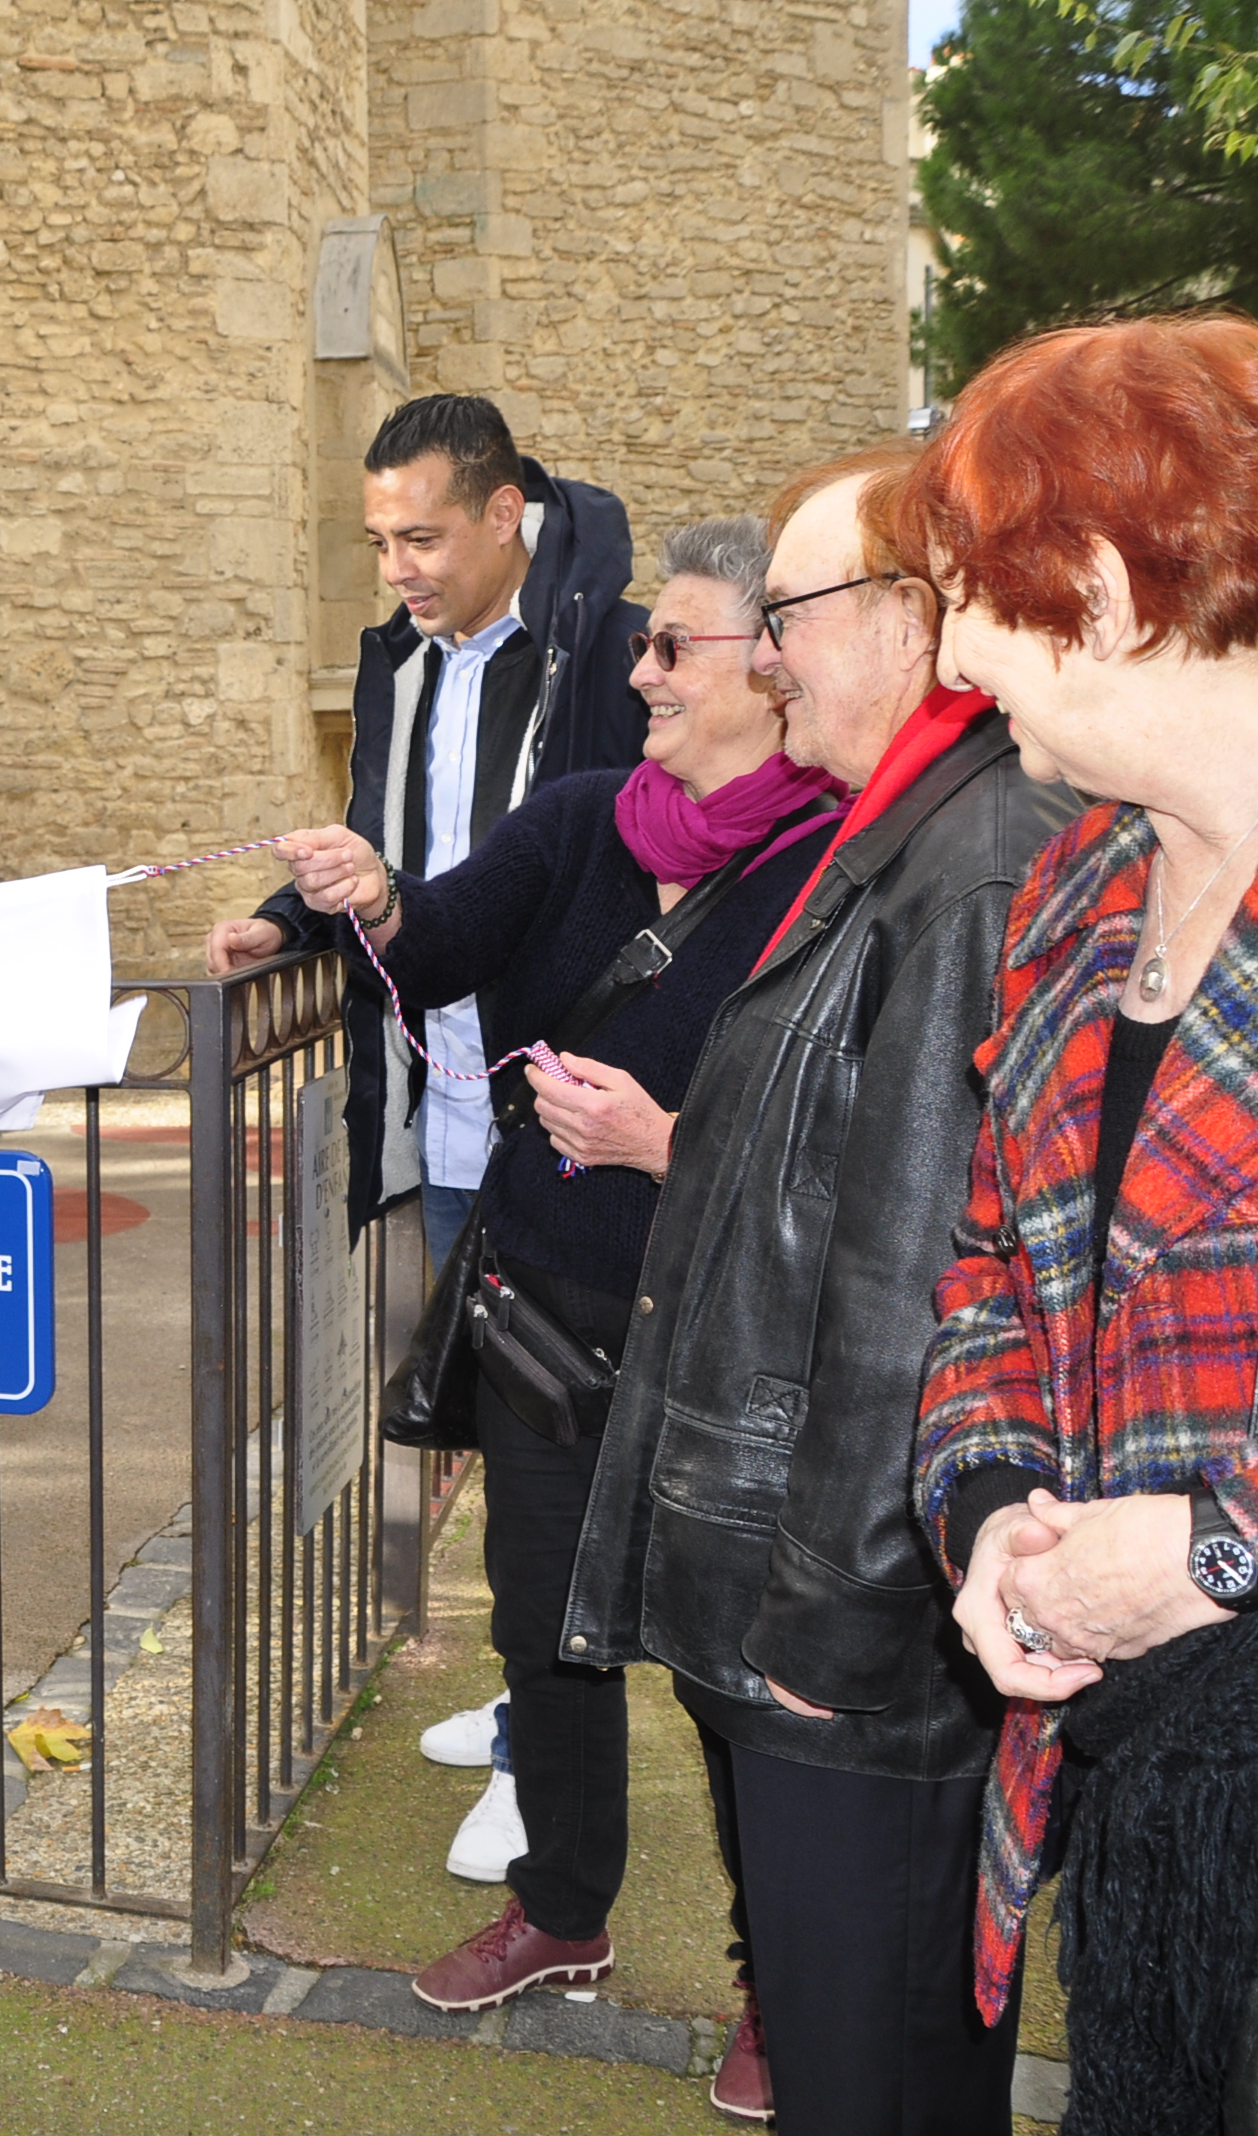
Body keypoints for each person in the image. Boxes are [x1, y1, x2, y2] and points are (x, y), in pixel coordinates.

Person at [217, 517, 844, 2015]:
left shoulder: (847, 868)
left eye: (671, 647)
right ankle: (561, 1909)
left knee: (731, 1670)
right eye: (645, 645)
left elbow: (866, 1141)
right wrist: (365, 895)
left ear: (771, 668)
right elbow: (431, 944)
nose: (639, 673)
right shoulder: (579, 823)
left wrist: (667, 1146)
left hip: (726, 1341)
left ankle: (782, 1991)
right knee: (544, 1630)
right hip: (543, 1315)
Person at [906, 317, 1258, 2136]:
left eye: (973, 598)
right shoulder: (1079, 884)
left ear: (1102, 589)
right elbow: (993, 1276)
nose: (952, 655)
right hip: (1143, 1800)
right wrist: (989, 1518)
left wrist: (1214, 1557)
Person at [562, 453, 1073, 2130]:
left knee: (881, 2079)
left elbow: (922, 1288)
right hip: (821, 1597)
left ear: (916, 621)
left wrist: (835, 1636)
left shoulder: (970, 860)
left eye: (783, 617)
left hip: (855, 1639)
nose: (762, 658)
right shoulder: (906, 833)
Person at [208, 394, 651, 1838]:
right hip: (436, 1103)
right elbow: (390, 840)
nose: (396, 565)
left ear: (506, 511)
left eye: (424, 534)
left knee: (557, 1445)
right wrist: (289, 922)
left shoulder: (613, 646)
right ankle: (535, 1698)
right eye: (379, 538)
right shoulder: (394, 660)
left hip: (566, 1110)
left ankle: (553, 1774)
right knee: (490, 1432)